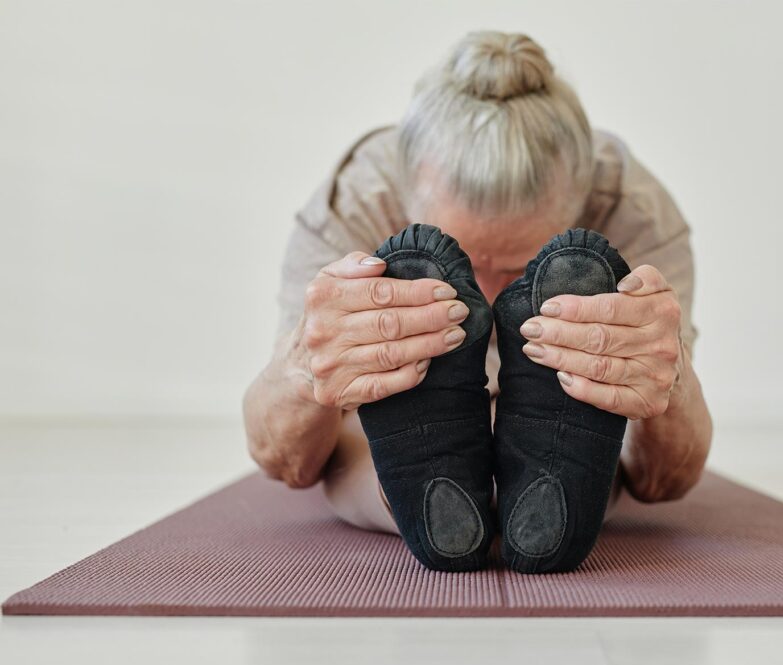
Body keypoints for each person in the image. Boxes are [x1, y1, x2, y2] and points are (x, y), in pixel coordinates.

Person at [242, 30, 713, 550]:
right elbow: (283, 459)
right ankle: (435, 494)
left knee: (606, 432)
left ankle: (482, 491)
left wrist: (668, 379)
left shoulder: (634, 212)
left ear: (582, 204)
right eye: (461, 268)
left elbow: (663, 478)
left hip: (562, 399)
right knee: (355, 431)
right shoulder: (356, 202)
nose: (485, 304)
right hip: (401, 402)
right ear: (404, 197)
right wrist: (308, 366)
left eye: (515, 271)